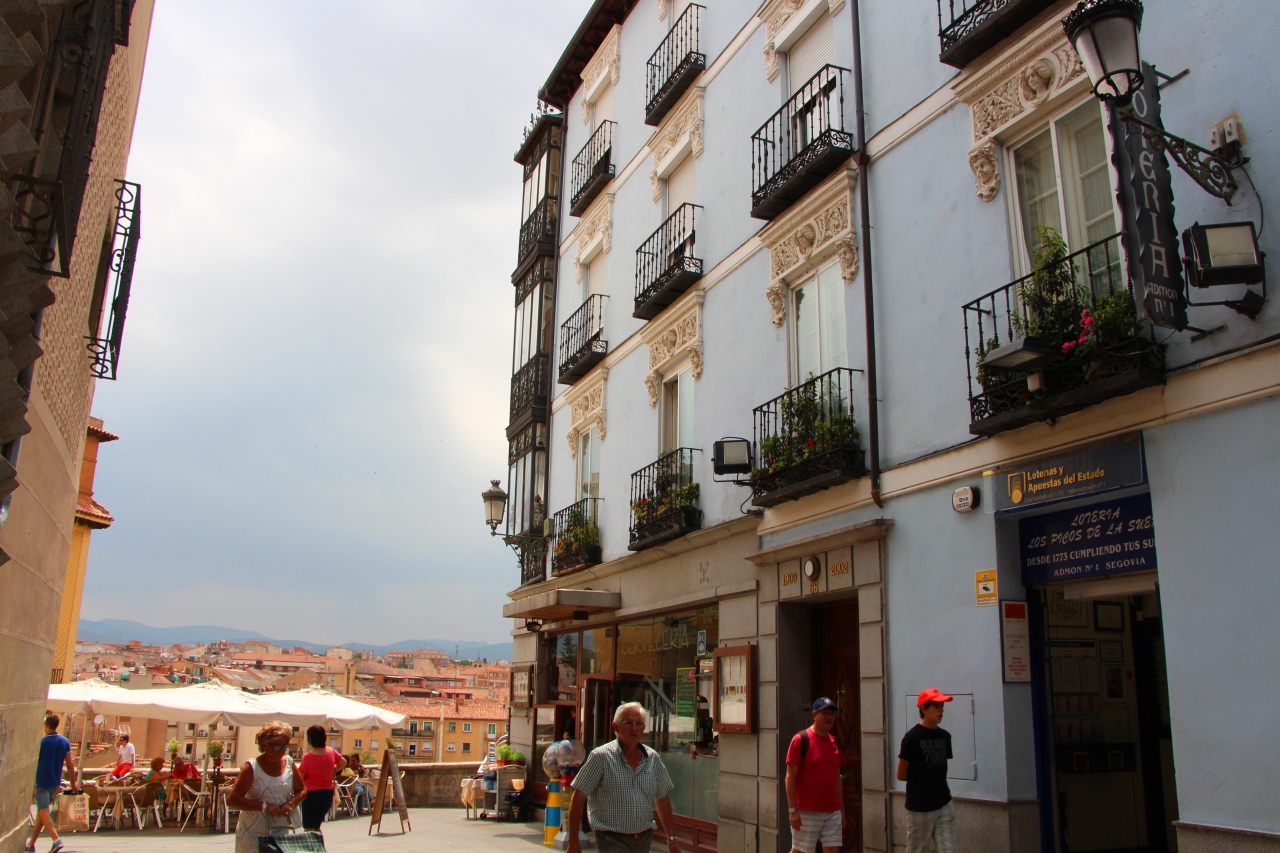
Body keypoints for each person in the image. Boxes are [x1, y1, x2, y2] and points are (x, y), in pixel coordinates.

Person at [566, 702, 681, 853]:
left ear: (644, 728)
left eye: (639, 724)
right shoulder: (601, 757)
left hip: (644, 840)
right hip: (611, 840)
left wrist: (671, 838)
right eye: (628, 723)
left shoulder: (652, 758)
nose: (634, 728)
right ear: (615, 726)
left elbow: (662, 799)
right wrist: (573, 842)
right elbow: (578, 797)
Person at [227, 721, 307, 853]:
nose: (280, 751)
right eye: (276, 747)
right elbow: (233, 800)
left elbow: (302, 790)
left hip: (280, 830)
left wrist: (290, 804)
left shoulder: (289, 763)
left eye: (285, 746)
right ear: (264, 745)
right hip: (252, 833)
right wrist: (264, 806)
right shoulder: (252, 768)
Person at [785, 698, 850, 853]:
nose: (829, 717)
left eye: (832, 714)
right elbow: (790, 777)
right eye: (825, 713)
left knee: (832, 850)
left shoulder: (834, 742)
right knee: (801, 851)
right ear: (814, 715)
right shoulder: (801, 740)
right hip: (807, 810)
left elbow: (837, 779)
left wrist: (841, 809)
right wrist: (793, 810)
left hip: (832, 810)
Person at [897, 688, 956, 853]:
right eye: (936, 706)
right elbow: (901, 774)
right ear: (924, 709)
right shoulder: (912, 738)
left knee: (950, 849)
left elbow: (941, 768)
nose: (941, 710)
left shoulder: (945, 736)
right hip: (920, 807)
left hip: (944, 803)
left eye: (942, 706)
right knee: (918, 849)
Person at [27, 714, 77, 853]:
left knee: (43, 811)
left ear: (47, 726)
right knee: (42, 814)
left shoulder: (42, 743)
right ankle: (30, 845)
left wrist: (32, 785)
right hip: (55, 782)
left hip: (42, 782)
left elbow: (33, 765)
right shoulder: (64, 741)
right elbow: (70, 764)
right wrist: (73, 784)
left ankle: (56, 840)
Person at [298, 725, 346, 831]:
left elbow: (300, 777)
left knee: (309, 827)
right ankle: (319, 841)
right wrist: (333, 770)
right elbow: (344, 762)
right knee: (316, 825)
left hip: (311, 794)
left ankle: (313, 842)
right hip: (327, 793)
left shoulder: (308, 757)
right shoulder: (331, 752)